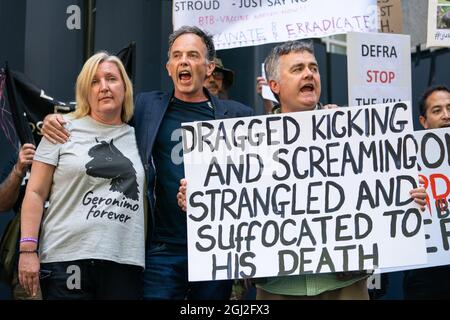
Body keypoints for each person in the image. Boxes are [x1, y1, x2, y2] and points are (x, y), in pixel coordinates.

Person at [177, 39, 427, 300]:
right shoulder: (244, 143)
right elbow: (225, 203)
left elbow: (384, 194)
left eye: (313, 68)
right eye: (297, 69)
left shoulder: (353, 133)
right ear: (274, 85)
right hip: (278, 287)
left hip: (346, 285)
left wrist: (407, 197)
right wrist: (198, 199)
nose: (309, 74)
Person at [41, 26, 253, 300]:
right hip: (161, 250)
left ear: (209, 67)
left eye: (192, 55)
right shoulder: (145, 107)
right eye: (177, 56)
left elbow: (255, 181)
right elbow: (101, 116)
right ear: (168, 67)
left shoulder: (238, 116)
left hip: (215, 247)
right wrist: (59, 119)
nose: (184, 62)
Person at [18, 52, 146, 299]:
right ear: (85, 91)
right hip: (66, 258)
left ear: (125, 87)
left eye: (111, 79)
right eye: (94, 82)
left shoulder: (140, 134)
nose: (104, 87)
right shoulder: (60, 130)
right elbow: (35, 192)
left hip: (123, 261)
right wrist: (27, 249)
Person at [403, 85, 450, 299]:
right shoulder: (405, 162)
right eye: (437, 110)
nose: (446, 115)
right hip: (426, 271)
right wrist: (411, 200)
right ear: (423, 121)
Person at [0, 143, 42, 300]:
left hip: (72, 255)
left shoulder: (76, 150)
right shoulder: (26, 152)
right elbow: (2, 204)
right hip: (29, 261)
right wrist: (18, 170)